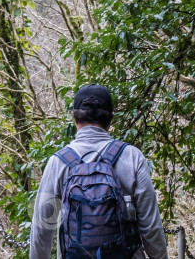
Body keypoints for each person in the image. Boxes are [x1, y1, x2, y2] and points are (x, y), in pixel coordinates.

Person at [29, 84, 169, 259]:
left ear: (74, 117)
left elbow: (41, 230)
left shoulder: (58, 162)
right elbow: (151, 226)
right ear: (111, 118)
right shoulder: (132, 157)